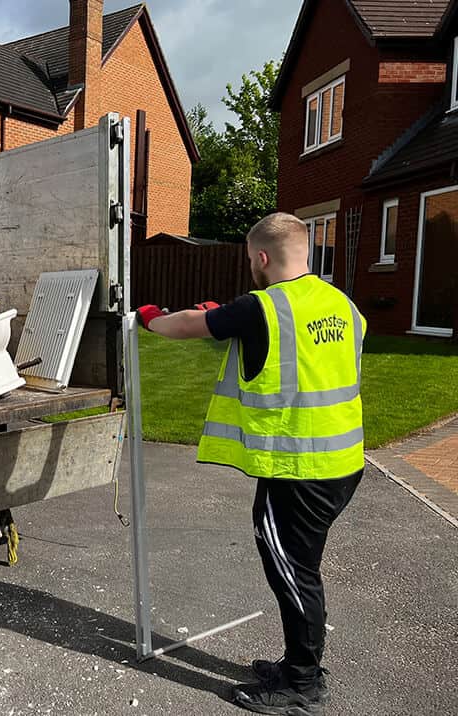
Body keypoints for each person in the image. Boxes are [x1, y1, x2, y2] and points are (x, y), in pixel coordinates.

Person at [136, 212, 366, 716]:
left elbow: (191, 325)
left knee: (294, 571)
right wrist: (230, 315)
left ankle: (303, 683)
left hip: (299, 471)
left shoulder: (262, 306)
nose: (251, 269)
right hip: (342, 462)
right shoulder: (343, 305)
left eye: (250, 260)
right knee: (297, 566)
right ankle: (295, 665)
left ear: (262, 258)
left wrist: (151, 317)